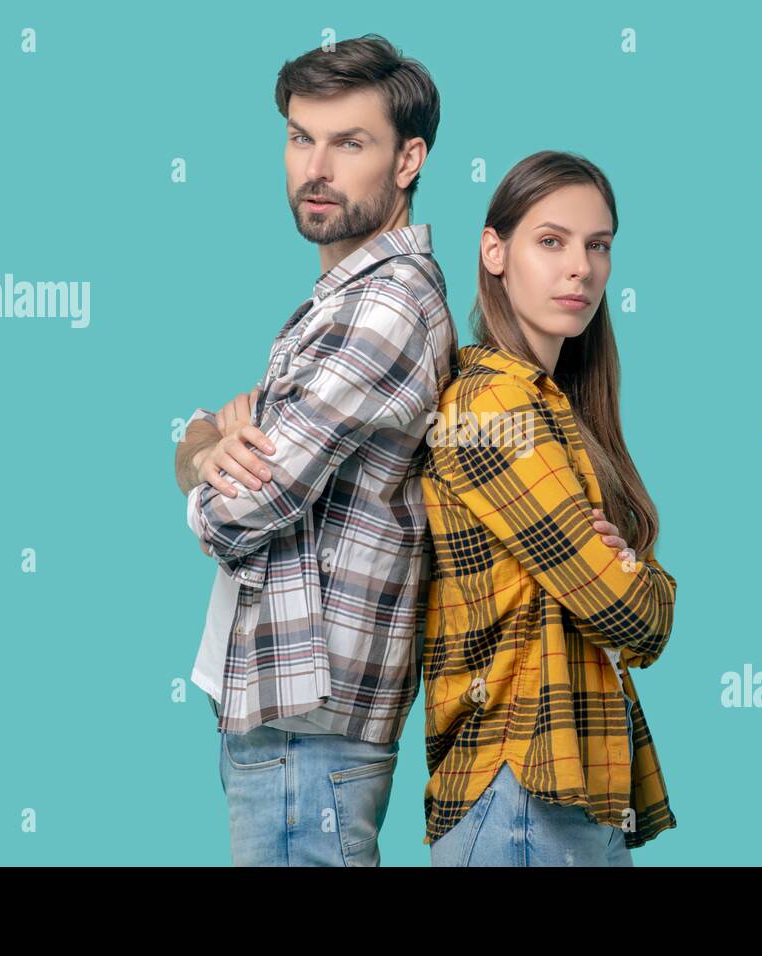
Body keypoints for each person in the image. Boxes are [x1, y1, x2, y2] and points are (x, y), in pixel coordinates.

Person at [173, 35, 456, 866]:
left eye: (349, 143)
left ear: (409, 160)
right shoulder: (340, 302)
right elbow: (212, 456)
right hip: (290, 722)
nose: (316, 167)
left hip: (312, 730)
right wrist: (204, 443)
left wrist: (205, 453)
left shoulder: (386, 308)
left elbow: (235, 514)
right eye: (302, 137)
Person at [420, 150, 678, 866]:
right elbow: (628, 614)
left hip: (577, 792)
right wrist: (636, 576)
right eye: (552, 241)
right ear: (494, 251)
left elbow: (626, 609)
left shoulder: (556, 406)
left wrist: (627, 570)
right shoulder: (491, 404)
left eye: (599, 246)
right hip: (518, 795)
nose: (582, 269)